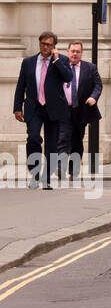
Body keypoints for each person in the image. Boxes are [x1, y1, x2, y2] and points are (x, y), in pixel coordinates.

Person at [13, 31, 75, 189]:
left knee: (52, 145)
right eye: (42, 44)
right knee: (33, 138)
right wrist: (17, 107)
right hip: (34, 107)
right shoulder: (28, 62)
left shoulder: (61, 61)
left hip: (53, 108)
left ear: (54, 46)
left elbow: (68, 77)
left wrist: (56, 60)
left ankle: (46, 179)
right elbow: (21, 86)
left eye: (48, 45)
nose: (45, 47)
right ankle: (34, 175)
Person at [64, 40, 103, 179]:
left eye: (78, 51)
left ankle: (73, 170)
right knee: (63, 138)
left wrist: (93, 97)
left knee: (77, 141)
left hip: (81, 110)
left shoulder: (90, 68)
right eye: (73, 51)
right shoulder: (60, 66)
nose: (75, 54)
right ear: (68, 51)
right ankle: (60, 166)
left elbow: (98, 85)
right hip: (63, 111)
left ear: (81, 53)